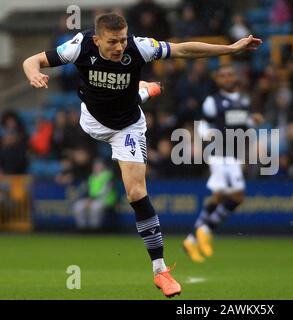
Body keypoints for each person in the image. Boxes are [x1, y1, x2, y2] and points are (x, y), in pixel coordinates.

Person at [22, 12, 262, 297]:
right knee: (131, 95)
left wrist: (230, 49)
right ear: (97, 39)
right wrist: (34, 73)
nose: (119, 47)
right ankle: (145, 90)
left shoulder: (139, 46)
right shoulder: (79, 45)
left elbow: (183, 49)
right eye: (113, 42)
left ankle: (160, 270)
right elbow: (31, 60)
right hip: (92, 119)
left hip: (127, 127)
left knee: (136, 193)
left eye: (122, 40)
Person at [182, 64, 264, 263]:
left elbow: (244, 125)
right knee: (236, 196)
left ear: (235, 78)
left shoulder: (244, 100)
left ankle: (192, 239)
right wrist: (204, 135)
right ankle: (205, 230)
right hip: (219, 152)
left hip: (234, 154)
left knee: (220, 195)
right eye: (223, 76)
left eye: (230, 75)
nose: (226, 79)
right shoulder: (213, 102)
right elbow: (204, 123)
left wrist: (254, 121)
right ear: (217, 80)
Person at [73, 158, 117, 231]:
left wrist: (91, 200)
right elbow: (85, 190)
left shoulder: (108, 175)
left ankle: (95, 229)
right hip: (92, 199)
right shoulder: (91, 177)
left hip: (106, 200)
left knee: (95, 207)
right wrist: (87, 199)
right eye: (95, 165)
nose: (97, 167)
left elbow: (105, 191)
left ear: (103, 166)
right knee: (78, 206)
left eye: (99, 165)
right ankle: (82, 228)